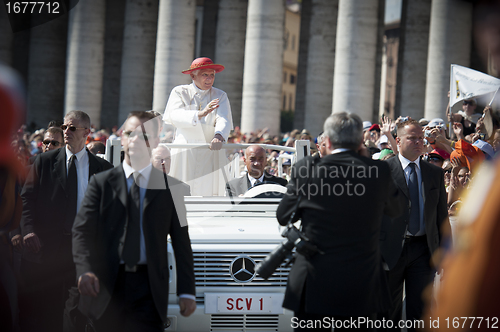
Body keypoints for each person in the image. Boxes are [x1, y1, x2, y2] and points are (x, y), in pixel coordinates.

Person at [277, 112, 403, 331]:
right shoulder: (378, 170)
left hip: (314, 278)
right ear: (360, 141)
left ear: (328, 141)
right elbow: (398, 209)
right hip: (362, 280)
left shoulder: (306, 169)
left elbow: (284, 215)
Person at [72, 111, 196, 331]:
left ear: (156, 141)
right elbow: (82, 232)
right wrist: (85, 270)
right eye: (130, 133)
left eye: (144, 135)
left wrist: (187, 291)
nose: (135, 140)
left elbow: (181, 241)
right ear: (122, 137)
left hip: (149, 289)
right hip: (106, 286)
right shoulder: (100, 183)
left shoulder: (171, 188)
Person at [18, 111, 113, 332]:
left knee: (76, 310)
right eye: (64, 127)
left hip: (82, 251)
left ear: (87, 132)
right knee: (47, 308)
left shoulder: (103, 169)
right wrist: (28, 230)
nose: (66, 132)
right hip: (48, 248)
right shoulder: (43, 161)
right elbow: (27, 199)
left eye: (72, 128)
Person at [380, 119, 448, 331]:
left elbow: (442, 217)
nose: (419, 142)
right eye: (412, 138)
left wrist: (447, 252)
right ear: (398, 141)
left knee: (420, 312)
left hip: (422, 250)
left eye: (421, 138)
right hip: (390, 252)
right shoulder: (382, 171)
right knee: (387, 313)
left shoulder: (434, 173)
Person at [163, 57, 233, 196]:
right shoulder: (179, 92)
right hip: (185, 150)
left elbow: (223, 118)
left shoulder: (220, 95)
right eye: (205, 75)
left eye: (212, 75)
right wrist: (200, 114)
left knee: (209, 191)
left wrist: (219, 135)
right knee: (180, 188)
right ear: (192, 75)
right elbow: (174, 115)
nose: (209, 79)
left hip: (210, 148)